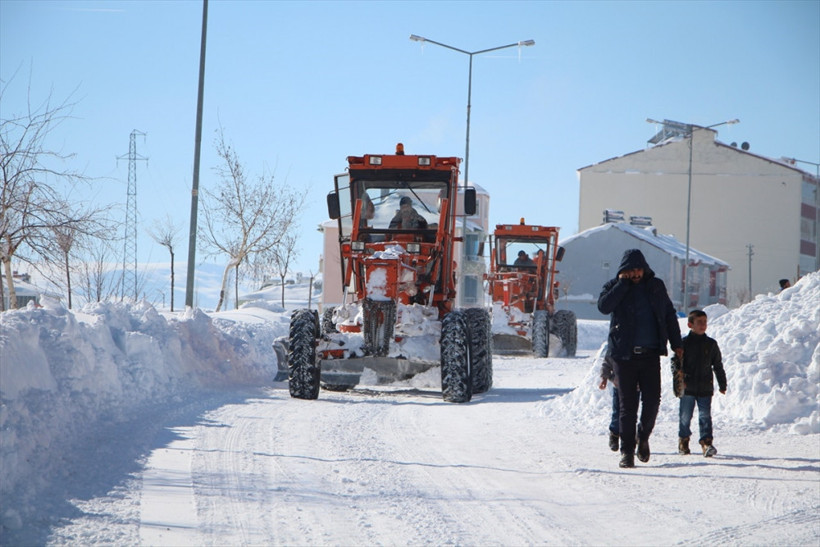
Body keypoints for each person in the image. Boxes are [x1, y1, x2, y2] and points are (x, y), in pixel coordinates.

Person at [598, 249, 683, 468]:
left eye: (638, 269)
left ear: (644, 269)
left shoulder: (655, 286)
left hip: (650, 354)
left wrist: (677, 344)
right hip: (623, 356)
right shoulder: (614, 286)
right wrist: (622, 285)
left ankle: (642, 437)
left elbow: (668, 314)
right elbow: (604, 307)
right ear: (623, 270)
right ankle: (626, 452)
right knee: (628, 406)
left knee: (653, 401)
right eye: (631, 270)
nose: (635, 274)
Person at [673, 309, 727, 457]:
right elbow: (676, 364)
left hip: (705, 386)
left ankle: (706, 443)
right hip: (687, 387)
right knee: (685, 416)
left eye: (705, 322)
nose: (703, 325)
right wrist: (679, 382)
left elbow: (717, 365)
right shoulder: (683, 343)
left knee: (705, 416)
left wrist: (722, 383)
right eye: (699, 322)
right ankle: (683, 440)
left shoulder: (711, 344)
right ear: (690, 324)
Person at [597, 348, 621, 452]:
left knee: (631, 413)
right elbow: (608, 361)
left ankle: (630, 438)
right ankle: (614, 434)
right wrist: (605, 377)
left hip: (635, 386)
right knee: (618, 412)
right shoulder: (617, 340)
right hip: (619, 384)